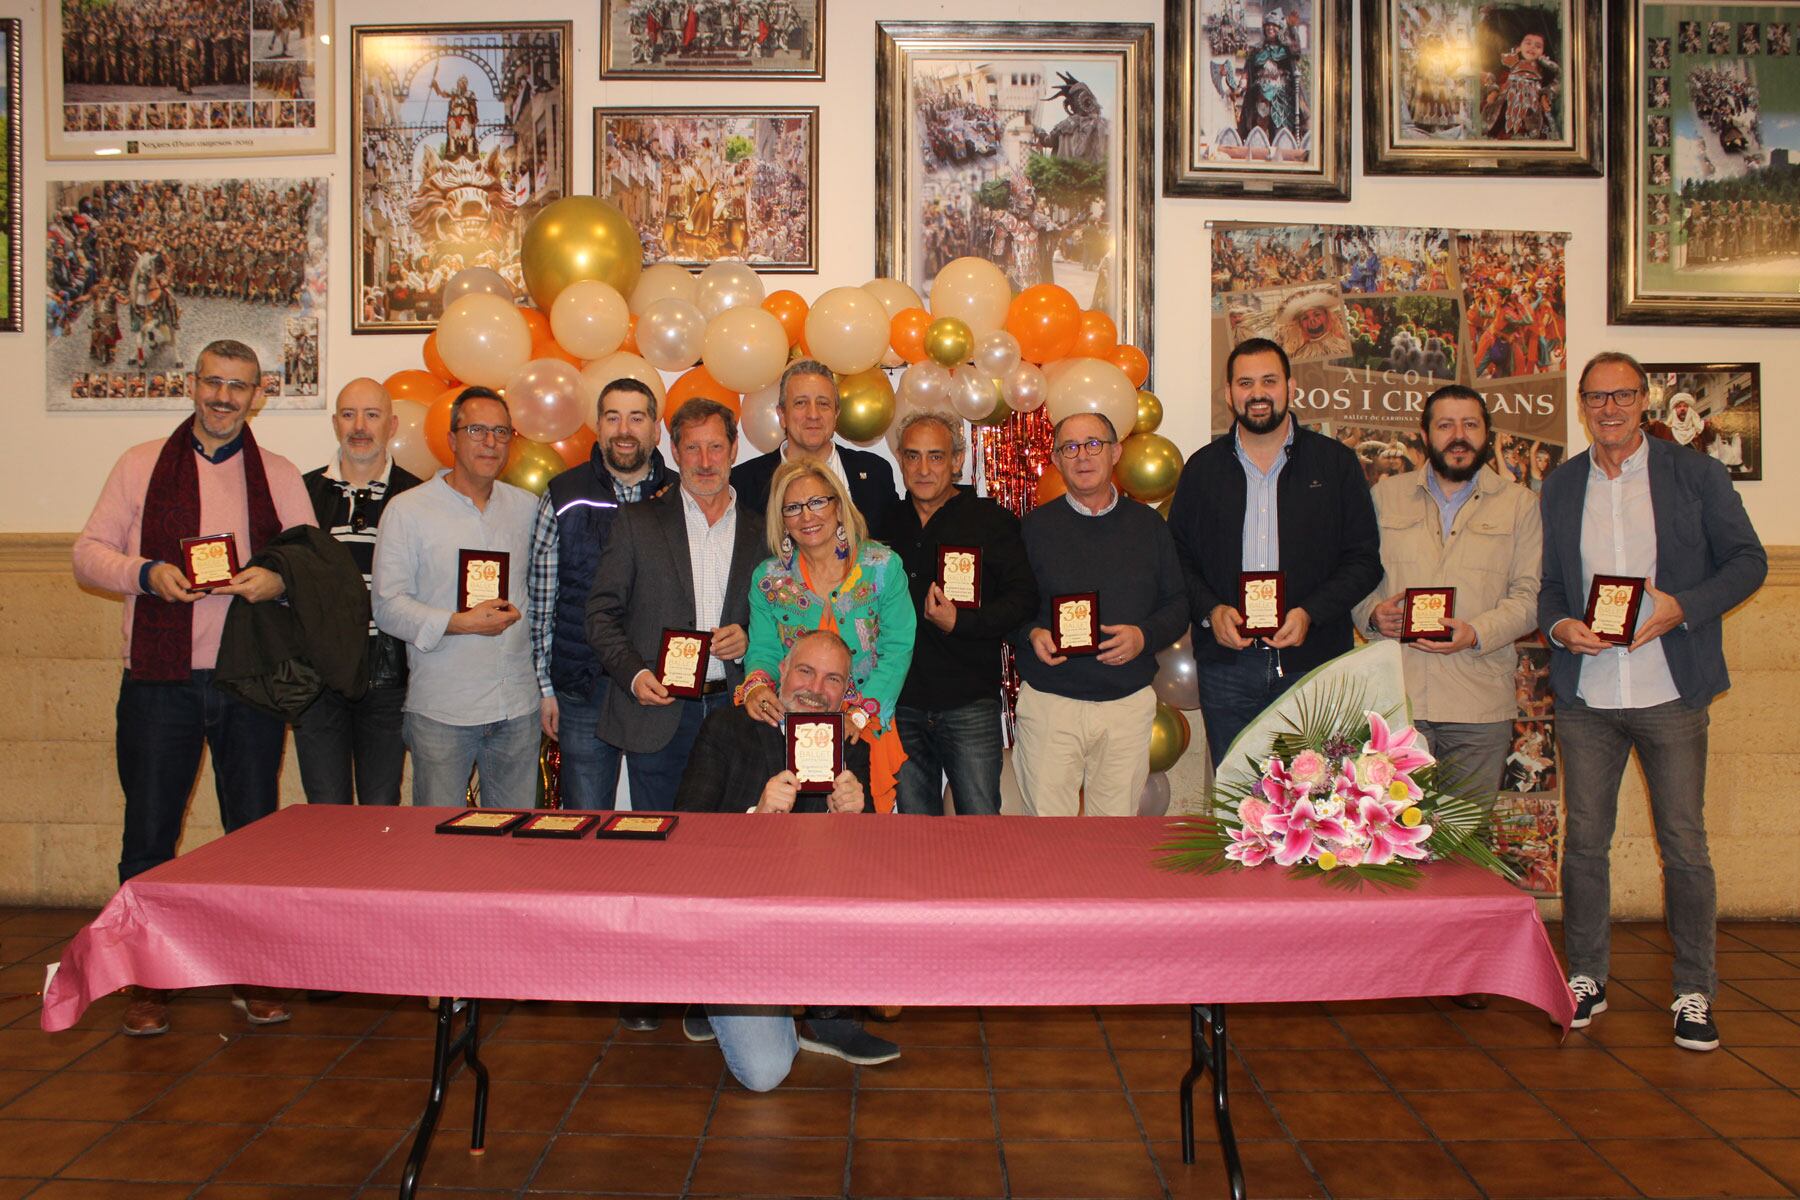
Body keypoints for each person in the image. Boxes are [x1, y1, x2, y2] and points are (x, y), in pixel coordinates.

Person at [73, 338, 315, 1036]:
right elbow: (88, 553)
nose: (223, 398)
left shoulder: (277, 473)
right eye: (213, 383)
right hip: (159, 681)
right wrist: (146, 574)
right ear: (193, 384)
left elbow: (312, 564)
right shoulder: (141, 464)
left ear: (258, 395)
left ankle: (254, 974)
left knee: (253, 837)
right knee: (148, 835)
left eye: (239, 387)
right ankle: (146, 982)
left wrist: (279, 578)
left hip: (248, 681)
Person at [1540, 351, 1765, 1052]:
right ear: (1582, 405)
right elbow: (1549, 582)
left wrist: (1682, 609)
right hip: (1589, 694)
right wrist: (1559, 625)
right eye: (1596, 397)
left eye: (1623, 396)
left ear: (1645, 402)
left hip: (1670, 688)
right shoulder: (1561, 484)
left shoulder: (1694, 474)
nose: (1609, 408)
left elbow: (1749, 561)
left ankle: (1694, 989)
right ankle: (1586, 976)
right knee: (1583, 845)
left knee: (1685, 847)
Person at [673, 629, 902, 1082]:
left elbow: (872, 860)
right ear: (781, 671)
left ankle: (827, 1015)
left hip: (812, 916)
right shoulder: (726, 727)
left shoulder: (852, 745)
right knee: (765, 1073)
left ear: (846, 691)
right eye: (805, 671)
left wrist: (856, 819)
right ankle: (713, 992)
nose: (816, 690)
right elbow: (687, 832)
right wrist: (755, 816)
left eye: (832, 680)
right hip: (740, 925)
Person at [1168, 337, 1382, 766]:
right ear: (1229, 395)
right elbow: (1176, 561)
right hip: (1227, 668)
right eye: (1245, 383)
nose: (1258, 393)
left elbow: (1363, 561)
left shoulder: (1335, 464)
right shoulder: (1202, 469)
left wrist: (1309, 613)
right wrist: (1211, 611)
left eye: (1269, 380)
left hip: (1314, 663)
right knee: (1238, 804)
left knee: (1319, 801)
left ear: (1290, 386)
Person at [1357, 385, 1543, 794]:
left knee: (1463, 847)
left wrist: (1476, 632)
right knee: (1389, 846)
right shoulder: (1385, 497)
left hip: (1478, 705)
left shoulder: (1519, 504)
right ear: (1425, 435)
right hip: (1397, 703)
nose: (1458, 436)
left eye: (1470, 425)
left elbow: (1529, 598)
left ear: (1487, 434)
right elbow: (1355, 575)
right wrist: (1371, 612)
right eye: (1445, 425)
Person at [584, 398, 765, 812]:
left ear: (734, 450)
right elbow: (600, 615)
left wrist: (750, 636)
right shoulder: (637, 522)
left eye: (715, 447)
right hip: (659, 711)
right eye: (692, 448)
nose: (705, 460)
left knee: (732, 847)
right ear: (675, 452)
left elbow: (782, 615)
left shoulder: (761, 529)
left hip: (735, 708)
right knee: (660, 849)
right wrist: (633, 675)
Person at [1012, 412, 1187, 816]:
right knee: (1046, 837)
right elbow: (1009, 607)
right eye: (1069, 448)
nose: (1083, 456)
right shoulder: (1034, 528)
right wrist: (1031, 634)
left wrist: (1144, 636)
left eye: (1094, 444)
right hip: (1050, 705)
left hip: (1125, 706)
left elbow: (1178, 605)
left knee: (1112, 840)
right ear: (1056, 460)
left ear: (1116, 452)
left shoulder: (1149, 527)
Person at [372, 387, 540, 808]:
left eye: (501, 432)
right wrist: (458, 622)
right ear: (451, 439)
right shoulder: (407, 510)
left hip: (517, 707)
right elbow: (387, 606)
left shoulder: (528, 508)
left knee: (514, 845)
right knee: (438, 851)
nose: (490, 442)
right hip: (443, 710)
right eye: (476, 430)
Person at [878, 411, 1037, 815]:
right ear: (899, 458)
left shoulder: (991, 521)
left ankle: (980, 884)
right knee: (915, 828)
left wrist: (962, 623)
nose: (924, 468)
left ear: (957, 460)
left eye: (936, 456)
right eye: (913, 456)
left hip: (970, 702)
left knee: (979, 821)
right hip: (902, 702)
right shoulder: (881, 522)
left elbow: (1023, 600)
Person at [529, 378, 677, 810]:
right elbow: (542, 604)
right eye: (613, 417)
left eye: (636, 417)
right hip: (583, 688)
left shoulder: (679, 496)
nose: (624, 430)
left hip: (655, 686)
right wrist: (544, 688)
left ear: (656, 428)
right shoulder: (564, 495)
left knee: (661, 820)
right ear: (597, 426)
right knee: (585, 819)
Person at [740, 459, 917, 812]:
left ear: (839, 506)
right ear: (782, 520)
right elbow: (762, 648)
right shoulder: (769, 579)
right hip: (792, 732)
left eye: (817, 502)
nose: (807, 516)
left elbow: (898, 649)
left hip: (863, 729)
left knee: (861, 840)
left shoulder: (882, 567)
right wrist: (757, 685)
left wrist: (861, 714)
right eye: (792, 508)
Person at [295, 377, 423, 806]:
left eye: (372, 415)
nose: (360, 426)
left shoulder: (420, 496)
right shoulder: (302, 493)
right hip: (320, 679)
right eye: (349, 415)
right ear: (335, 424)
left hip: (389, 678)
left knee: (380, 805)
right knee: (325, 806)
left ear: (392, 425)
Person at [729, 359, 899, 530]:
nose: (813, 414)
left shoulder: (876, 473)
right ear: (782, 415)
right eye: (801, 403)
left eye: (823, 403)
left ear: (836, 414)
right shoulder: (743, 484)